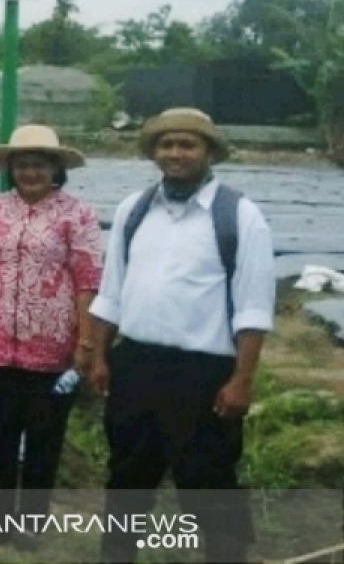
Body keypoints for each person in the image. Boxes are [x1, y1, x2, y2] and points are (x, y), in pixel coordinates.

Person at [85, 108, 274, 563]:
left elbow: (253, 308)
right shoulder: (135, 210)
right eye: (166, 145)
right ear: (154, 153)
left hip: (203, 374)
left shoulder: (239, 216)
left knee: (208, 482)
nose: (175, 153)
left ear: (209, 152)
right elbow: (112, 292)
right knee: (127, 476)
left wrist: (241, 380)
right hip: (136, 366)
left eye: (187, 144)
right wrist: (99, 355)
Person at [0, 125, 103, 548]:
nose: (29, 172)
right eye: (22, 164)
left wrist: (86, 341)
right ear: (10, 169)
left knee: (44, 438)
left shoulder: (76, 214)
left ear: (56, 169)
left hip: (53, 346)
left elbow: (87, 280)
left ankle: (32, 525)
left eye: (39, 164)